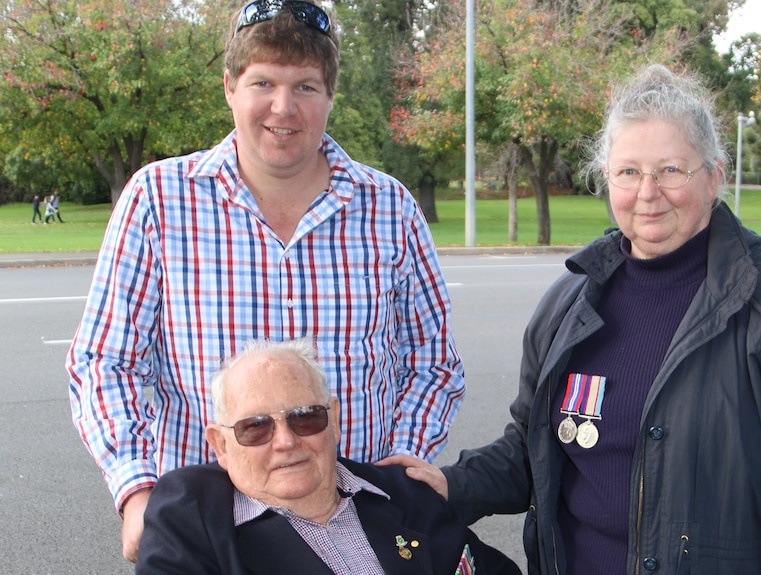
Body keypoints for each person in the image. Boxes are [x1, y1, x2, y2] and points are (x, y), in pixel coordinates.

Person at [385, 64, 761, 574]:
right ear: (607, 178)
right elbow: (533, 451)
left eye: (672, 170)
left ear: (715, 176)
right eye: (629, 171)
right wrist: (451, 483)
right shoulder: (570, 301)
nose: (648, 192)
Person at [67, 0, 464, 563]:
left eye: (305, 86)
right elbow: (104, 363)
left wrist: (399, 461)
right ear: (230, 86)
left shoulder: (388, 208)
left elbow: (434, 361)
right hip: (209, 534)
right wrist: (136, 492)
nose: (284, 107)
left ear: (330, 94)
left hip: (352, 525)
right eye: (263, 82)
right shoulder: (158, 200)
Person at [135, 338, 519, 575]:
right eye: (256, 427)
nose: (285, 442)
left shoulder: (401, 492)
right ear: (221, 445)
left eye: (305, 418)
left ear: (333, 421)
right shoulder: (190, 520)